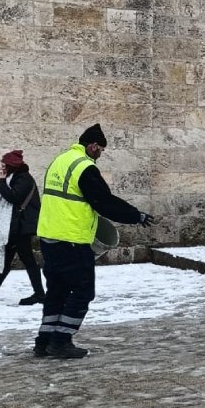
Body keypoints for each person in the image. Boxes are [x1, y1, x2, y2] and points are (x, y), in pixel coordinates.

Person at [33, 124, 156, 359]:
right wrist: (134, 215)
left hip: (49, 237)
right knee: (82, 291)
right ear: (92, 146)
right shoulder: (85, 167)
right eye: (101, 150)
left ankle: (44, 341)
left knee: (56, 291)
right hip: (72, 239)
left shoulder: (60, 161)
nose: (101, 154)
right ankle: (61, 341)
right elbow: (103, 201)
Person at [0, 150, 44, 305]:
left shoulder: (23, 179)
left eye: (4, 165)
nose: (2, 167)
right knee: (9, 259)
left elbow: (13, 198)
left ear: (12, 165)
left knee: (27, 259)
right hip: (17, 225)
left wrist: (0, 181)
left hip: (21, 226)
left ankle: (39, 294)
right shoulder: (18, 177)